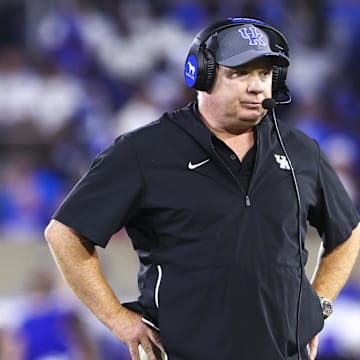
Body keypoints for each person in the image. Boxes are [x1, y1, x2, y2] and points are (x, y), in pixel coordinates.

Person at [44, 17, 360, 360]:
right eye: (241, 73)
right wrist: (119, 319)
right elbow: (65, 235)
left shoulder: (301, 152)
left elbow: (347, 233)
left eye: (265, 74)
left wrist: (318, 306)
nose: (257, 87)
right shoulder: (145, 151)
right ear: (202, 75)